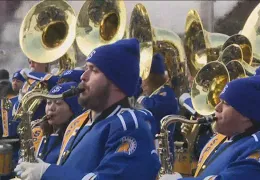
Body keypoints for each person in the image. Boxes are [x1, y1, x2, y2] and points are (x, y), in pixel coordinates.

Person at [15, 38, 160, 180]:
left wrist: (47, 172)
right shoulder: (82, 121)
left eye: (94, 70)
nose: (83, 77)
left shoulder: (129, 125)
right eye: (86, 68)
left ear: (116, 82)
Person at [161, 75, 260, 180]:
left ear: (245, 115)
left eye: (226, 104)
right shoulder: (229, 137)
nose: (217, 108)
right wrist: (191, 143)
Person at [137, 53, 179, 160]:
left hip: (162, 149)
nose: (142, 82)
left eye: (145, 77)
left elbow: (155, 107)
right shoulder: (154, 93)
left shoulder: (166, 93)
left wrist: (141, 99)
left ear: (152, 77)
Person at [32, 82, 83, 164]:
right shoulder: (38, 131)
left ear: (73, 109)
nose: (51, 108)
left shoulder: (78, 138)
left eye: (58, 103)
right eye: (48, 103)